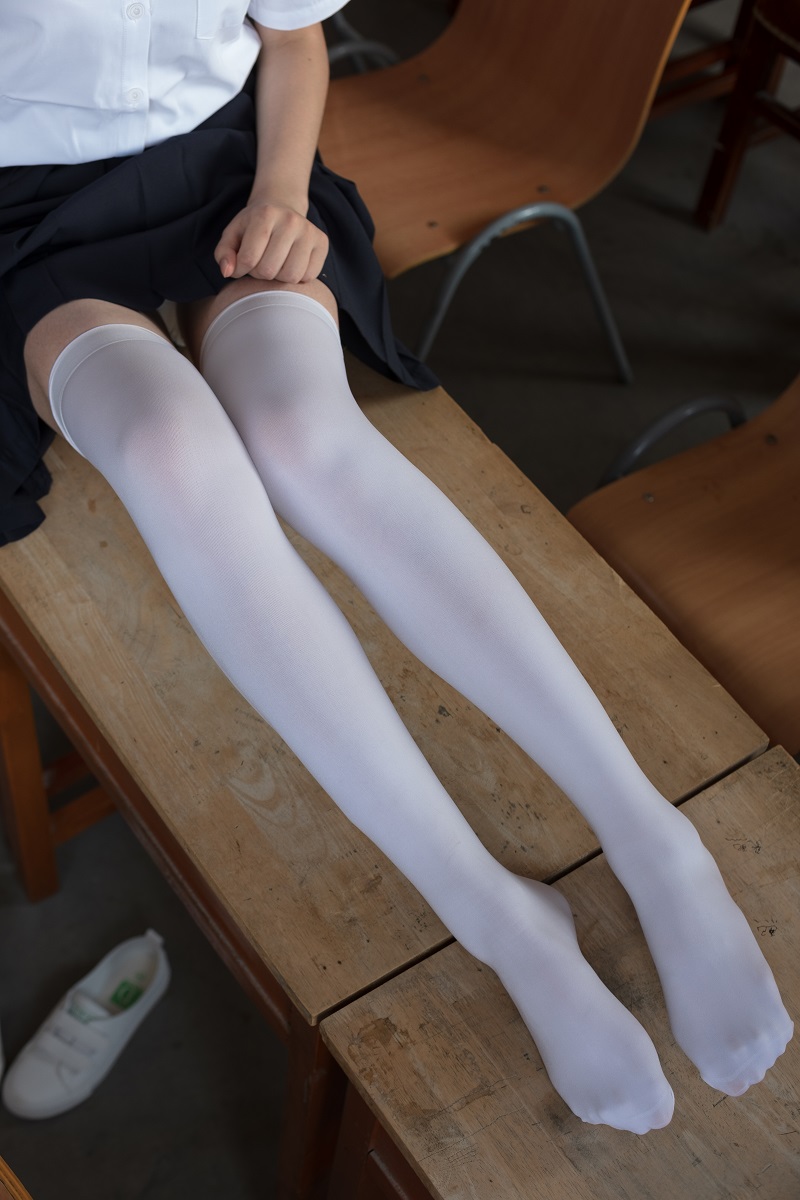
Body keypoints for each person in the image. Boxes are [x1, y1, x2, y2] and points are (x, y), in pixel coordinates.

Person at [0, 1, 791, 1135]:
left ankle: (655, 840)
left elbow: (291, 36)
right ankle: (495, 918)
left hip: (226, 158)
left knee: (305, 438)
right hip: (26, 213)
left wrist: (281, 196)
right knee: (175, 460)